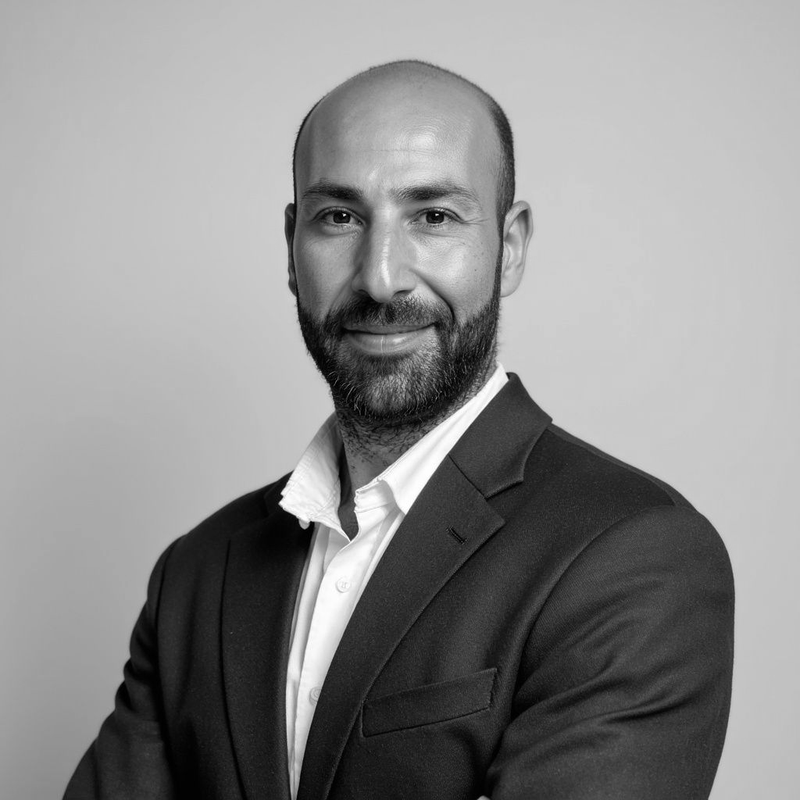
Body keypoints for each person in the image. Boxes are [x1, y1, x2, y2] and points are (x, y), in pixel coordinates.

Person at [64, 60, 734, 800]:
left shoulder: (634, 555)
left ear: (509, 247)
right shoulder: (197, 574)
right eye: (339, 217)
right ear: (293, 246)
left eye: (434, 216)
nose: (381, 278)